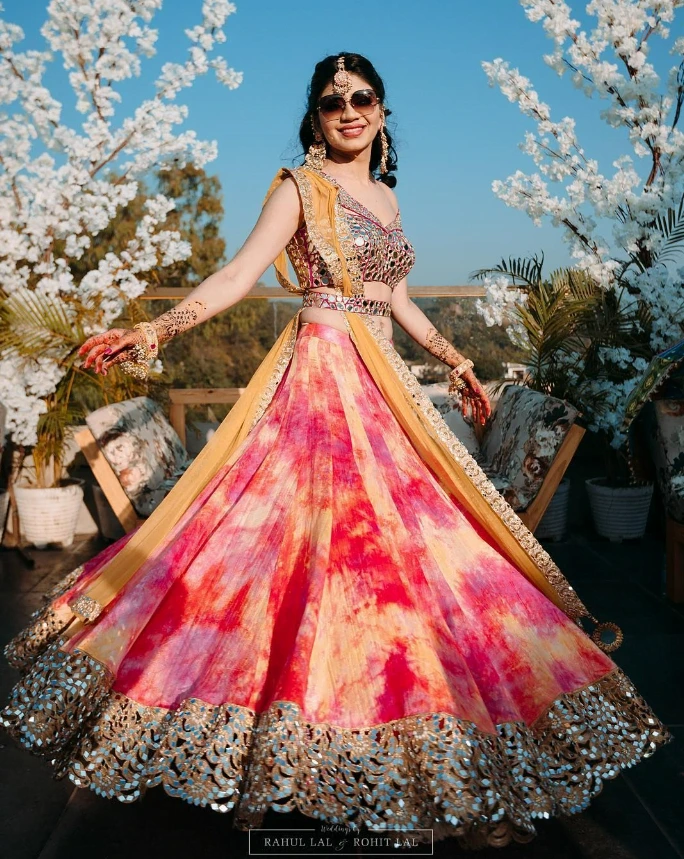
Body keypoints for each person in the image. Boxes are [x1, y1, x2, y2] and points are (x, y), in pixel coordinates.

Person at [1, 52, 671, 850]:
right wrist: (153, 328)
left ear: (383, 111)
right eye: (331, 101)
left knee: (407, 558)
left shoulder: (386, 197)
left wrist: (458, 362)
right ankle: (295, 738)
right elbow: (240, 275)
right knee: (301, 558)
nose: (348, 110)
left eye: (362, 98)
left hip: (383, 387)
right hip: (318, 386)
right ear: (315, 116)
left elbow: (393, 300)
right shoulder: (298, 188)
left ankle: (411, 728)